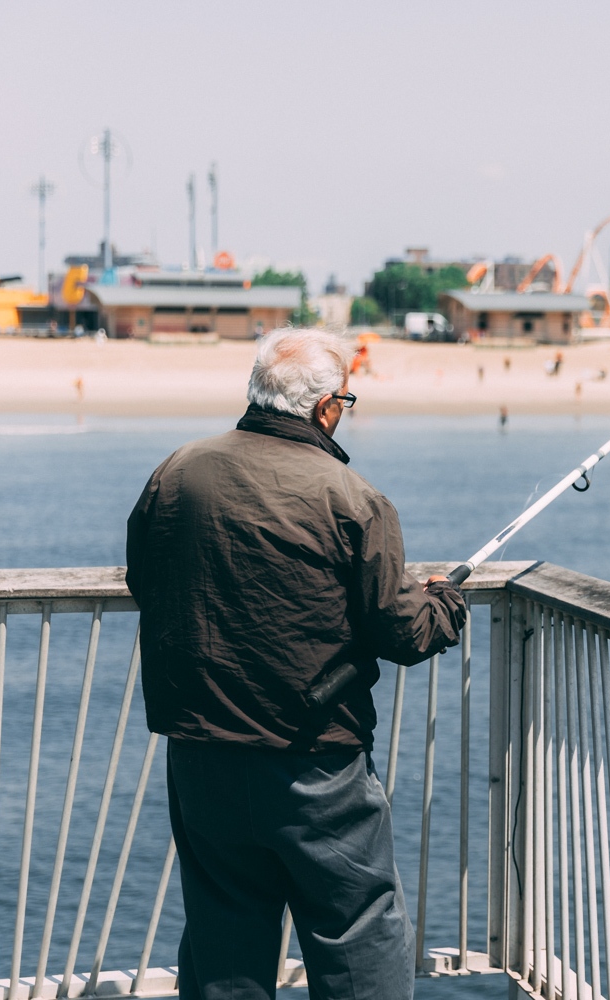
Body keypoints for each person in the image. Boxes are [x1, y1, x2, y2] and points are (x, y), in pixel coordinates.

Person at [126, 328, 466, 1000]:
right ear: (326, 409)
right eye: (347, 399)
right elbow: (404, 633)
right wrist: (446, 605)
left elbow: (148, 577)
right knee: (357, 930)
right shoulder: (351, 497)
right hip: (315, 759)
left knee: (225, 936)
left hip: (202, 752)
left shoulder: (178, 470)